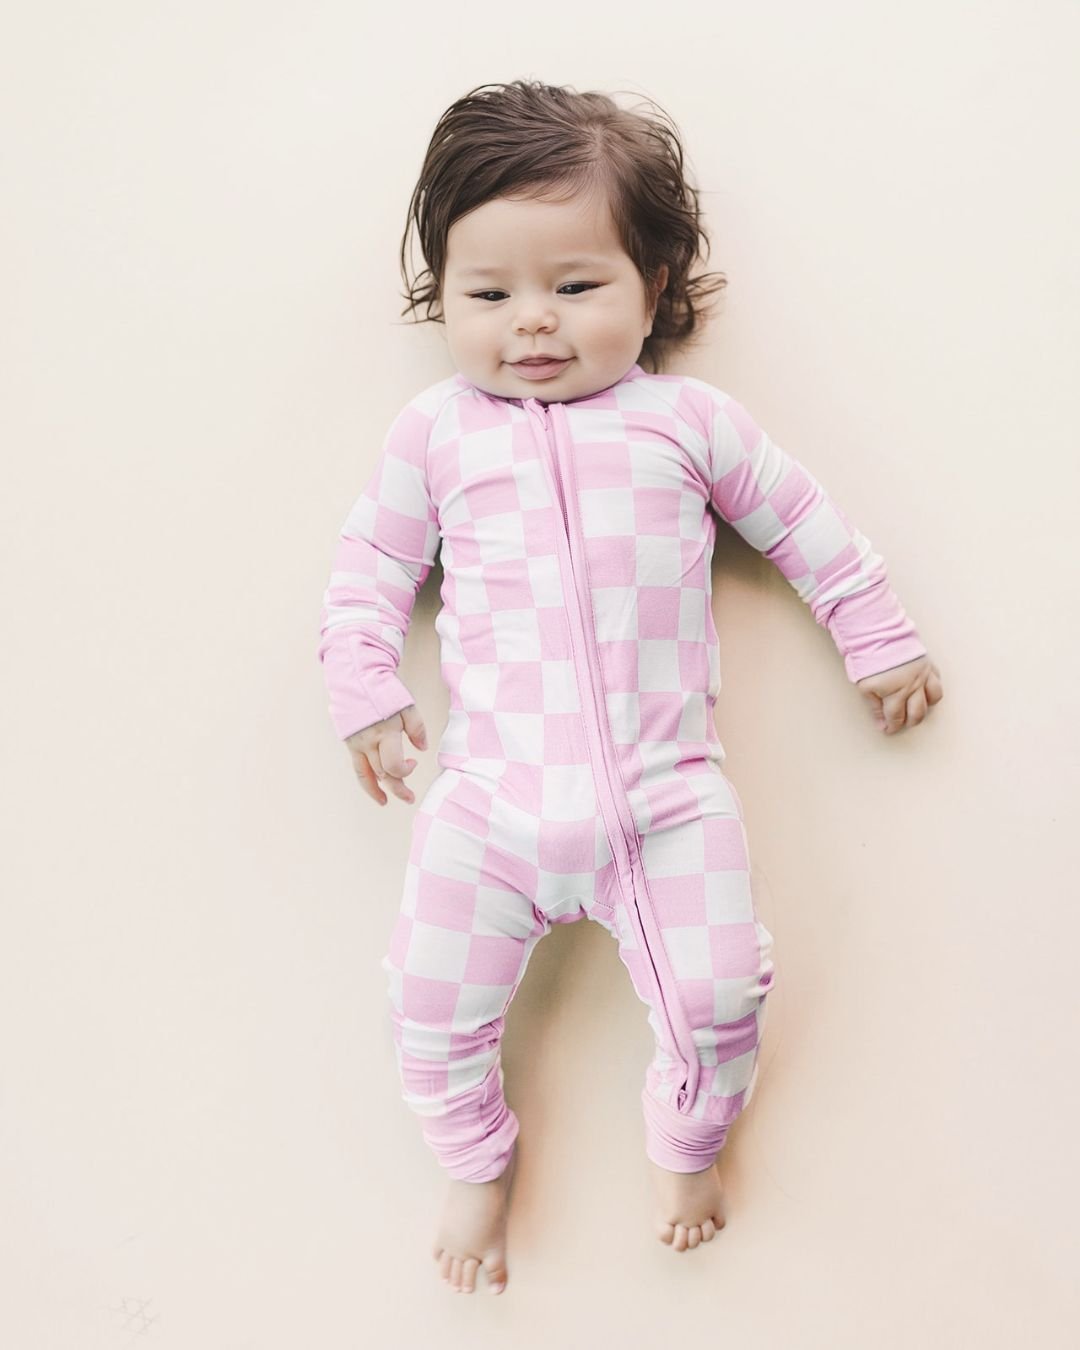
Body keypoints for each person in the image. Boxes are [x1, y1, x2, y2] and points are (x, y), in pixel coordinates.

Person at [316, 79, 944, 1297]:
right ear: (441, 296)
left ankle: (688, 1140)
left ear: (654, 288)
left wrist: (879, 635)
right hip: (487, 803)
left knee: (722, 996)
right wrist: (366, 690)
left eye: (576, 285)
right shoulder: (437, 435)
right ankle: (473, 1158)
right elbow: (370, 571)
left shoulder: (687, 423)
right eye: (487, 295)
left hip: (664, 801)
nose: (532, 325)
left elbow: (803, 525)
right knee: (427, 1007)